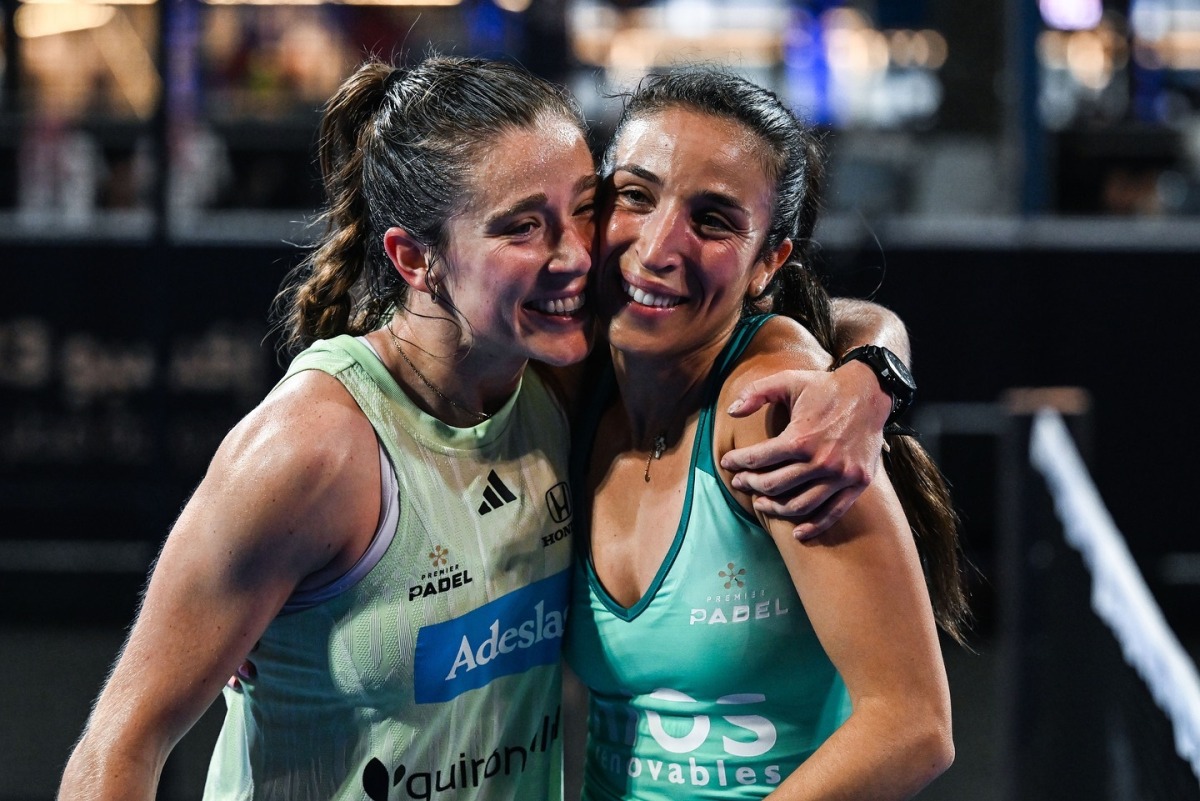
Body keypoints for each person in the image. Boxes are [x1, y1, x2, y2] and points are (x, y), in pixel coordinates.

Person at [57, 55, 915, 801]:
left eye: (583, 208)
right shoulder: (312, 449)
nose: (578, 255)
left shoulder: (560, 376)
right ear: (414, 258)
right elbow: (117, 744)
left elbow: (759, 319)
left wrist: (873, 371)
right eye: (522, 227)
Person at [563, 68, 970, 801]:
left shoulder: (772, 409)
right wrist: (878, 363)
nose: (657, 246)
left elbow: (912, 726)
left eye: (713, 219)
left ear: (768, 263)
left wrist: (868, 373)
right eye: (636, 195)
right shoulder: (574, 377)